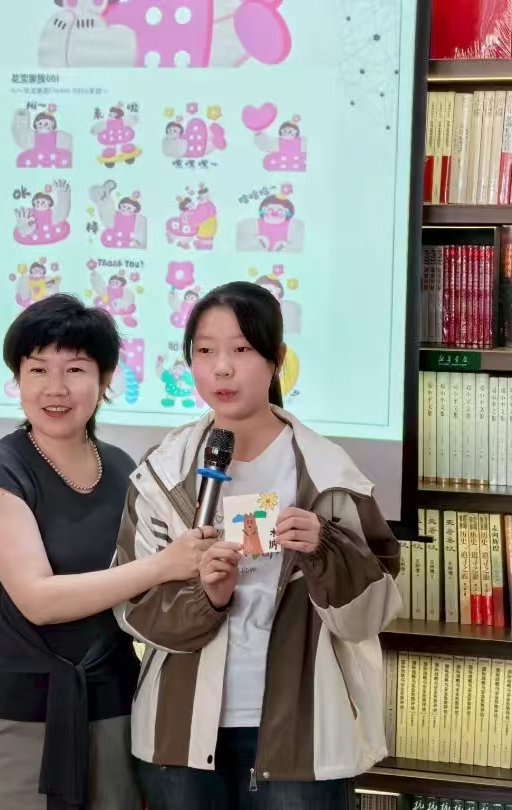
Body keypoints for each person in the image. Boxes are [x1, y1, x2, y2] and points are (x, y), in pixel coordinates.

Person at [113, 282, 402, 809]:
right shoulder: (162, 473)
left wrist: (326, 550)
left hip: (303, 734)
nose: (221, 368)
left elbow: (370, 614)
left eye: (242, 349)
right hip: (179, 731)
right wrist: (207, 597)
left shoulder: (329, 474)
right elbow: (133, 608)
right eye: (205, 350)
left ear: (277, 360)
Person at [0, 294, 214, 810]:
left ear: (105, 380)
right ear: (18, 379)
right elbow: (39, 600)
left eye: (75, 369)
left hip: (116, 704)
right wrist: (163, 566)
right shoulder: (0, 468)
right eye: (37, 370)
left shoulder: (123, 467)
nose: (55, 388)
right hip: (21, 712)